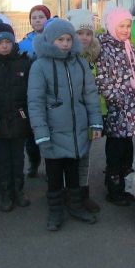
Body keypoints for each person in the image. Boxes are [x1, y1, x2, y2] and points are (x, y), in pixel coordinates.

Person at [27, 18, 103, 231]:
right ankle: (55, 211)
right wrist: (40, 132)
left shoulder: (79, 63)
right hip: (52, 130)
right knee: (53, 173)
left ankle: (76, 206)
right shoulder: (39, 66)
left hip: (76, 129)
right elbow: (35, 102)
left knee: (73, 170)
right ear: (50, 40)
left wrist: (96, 122)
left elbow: (90, 94)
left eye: (69, 39)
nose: (65, 43)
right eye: (60, 39)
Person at [95, 7, 135, 206]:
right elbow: (102, 81)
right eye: (121, 26)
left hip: (131, 107)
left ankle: (126, 183)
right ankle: (114, 186)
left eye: (128, 26)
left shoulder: (128, 45)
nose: (125, 30)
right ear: (111, 26)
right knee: (116, 148)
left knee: (127, 148)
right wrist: (119, 98)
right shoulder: (105, 48)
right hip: (117, 108)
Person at [0, 20, 33, 212]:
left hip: (19, 119)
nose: (4, 45)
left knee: (18, 158)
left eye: (8, 41)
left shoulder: (23, 62)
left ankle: (18, 191)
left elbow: (30, 91)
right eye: (0, 42)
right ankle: (5, 192)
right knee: (1, 159)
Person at [67, 8, 105, 213]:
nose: (84, 37)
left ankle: (83, 193)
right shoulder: (66, 56)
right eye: (80, 33)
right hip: (70, 115)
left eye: (88, 33)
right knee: (68, 157)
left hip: (90, 113)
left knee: (84, 156)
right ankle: (70, 194)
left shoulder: (94, 55)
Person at [19, 4, 51, 178]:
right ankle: (33, 161)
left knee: (49, 128)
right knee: (31, 131)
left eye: (41, 17)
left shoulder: (54, 38)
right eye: (34, 17)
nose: (37, 20)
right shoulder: (24, 42)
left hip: (50, 90)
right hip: (30, 90)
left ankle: (50, 163)